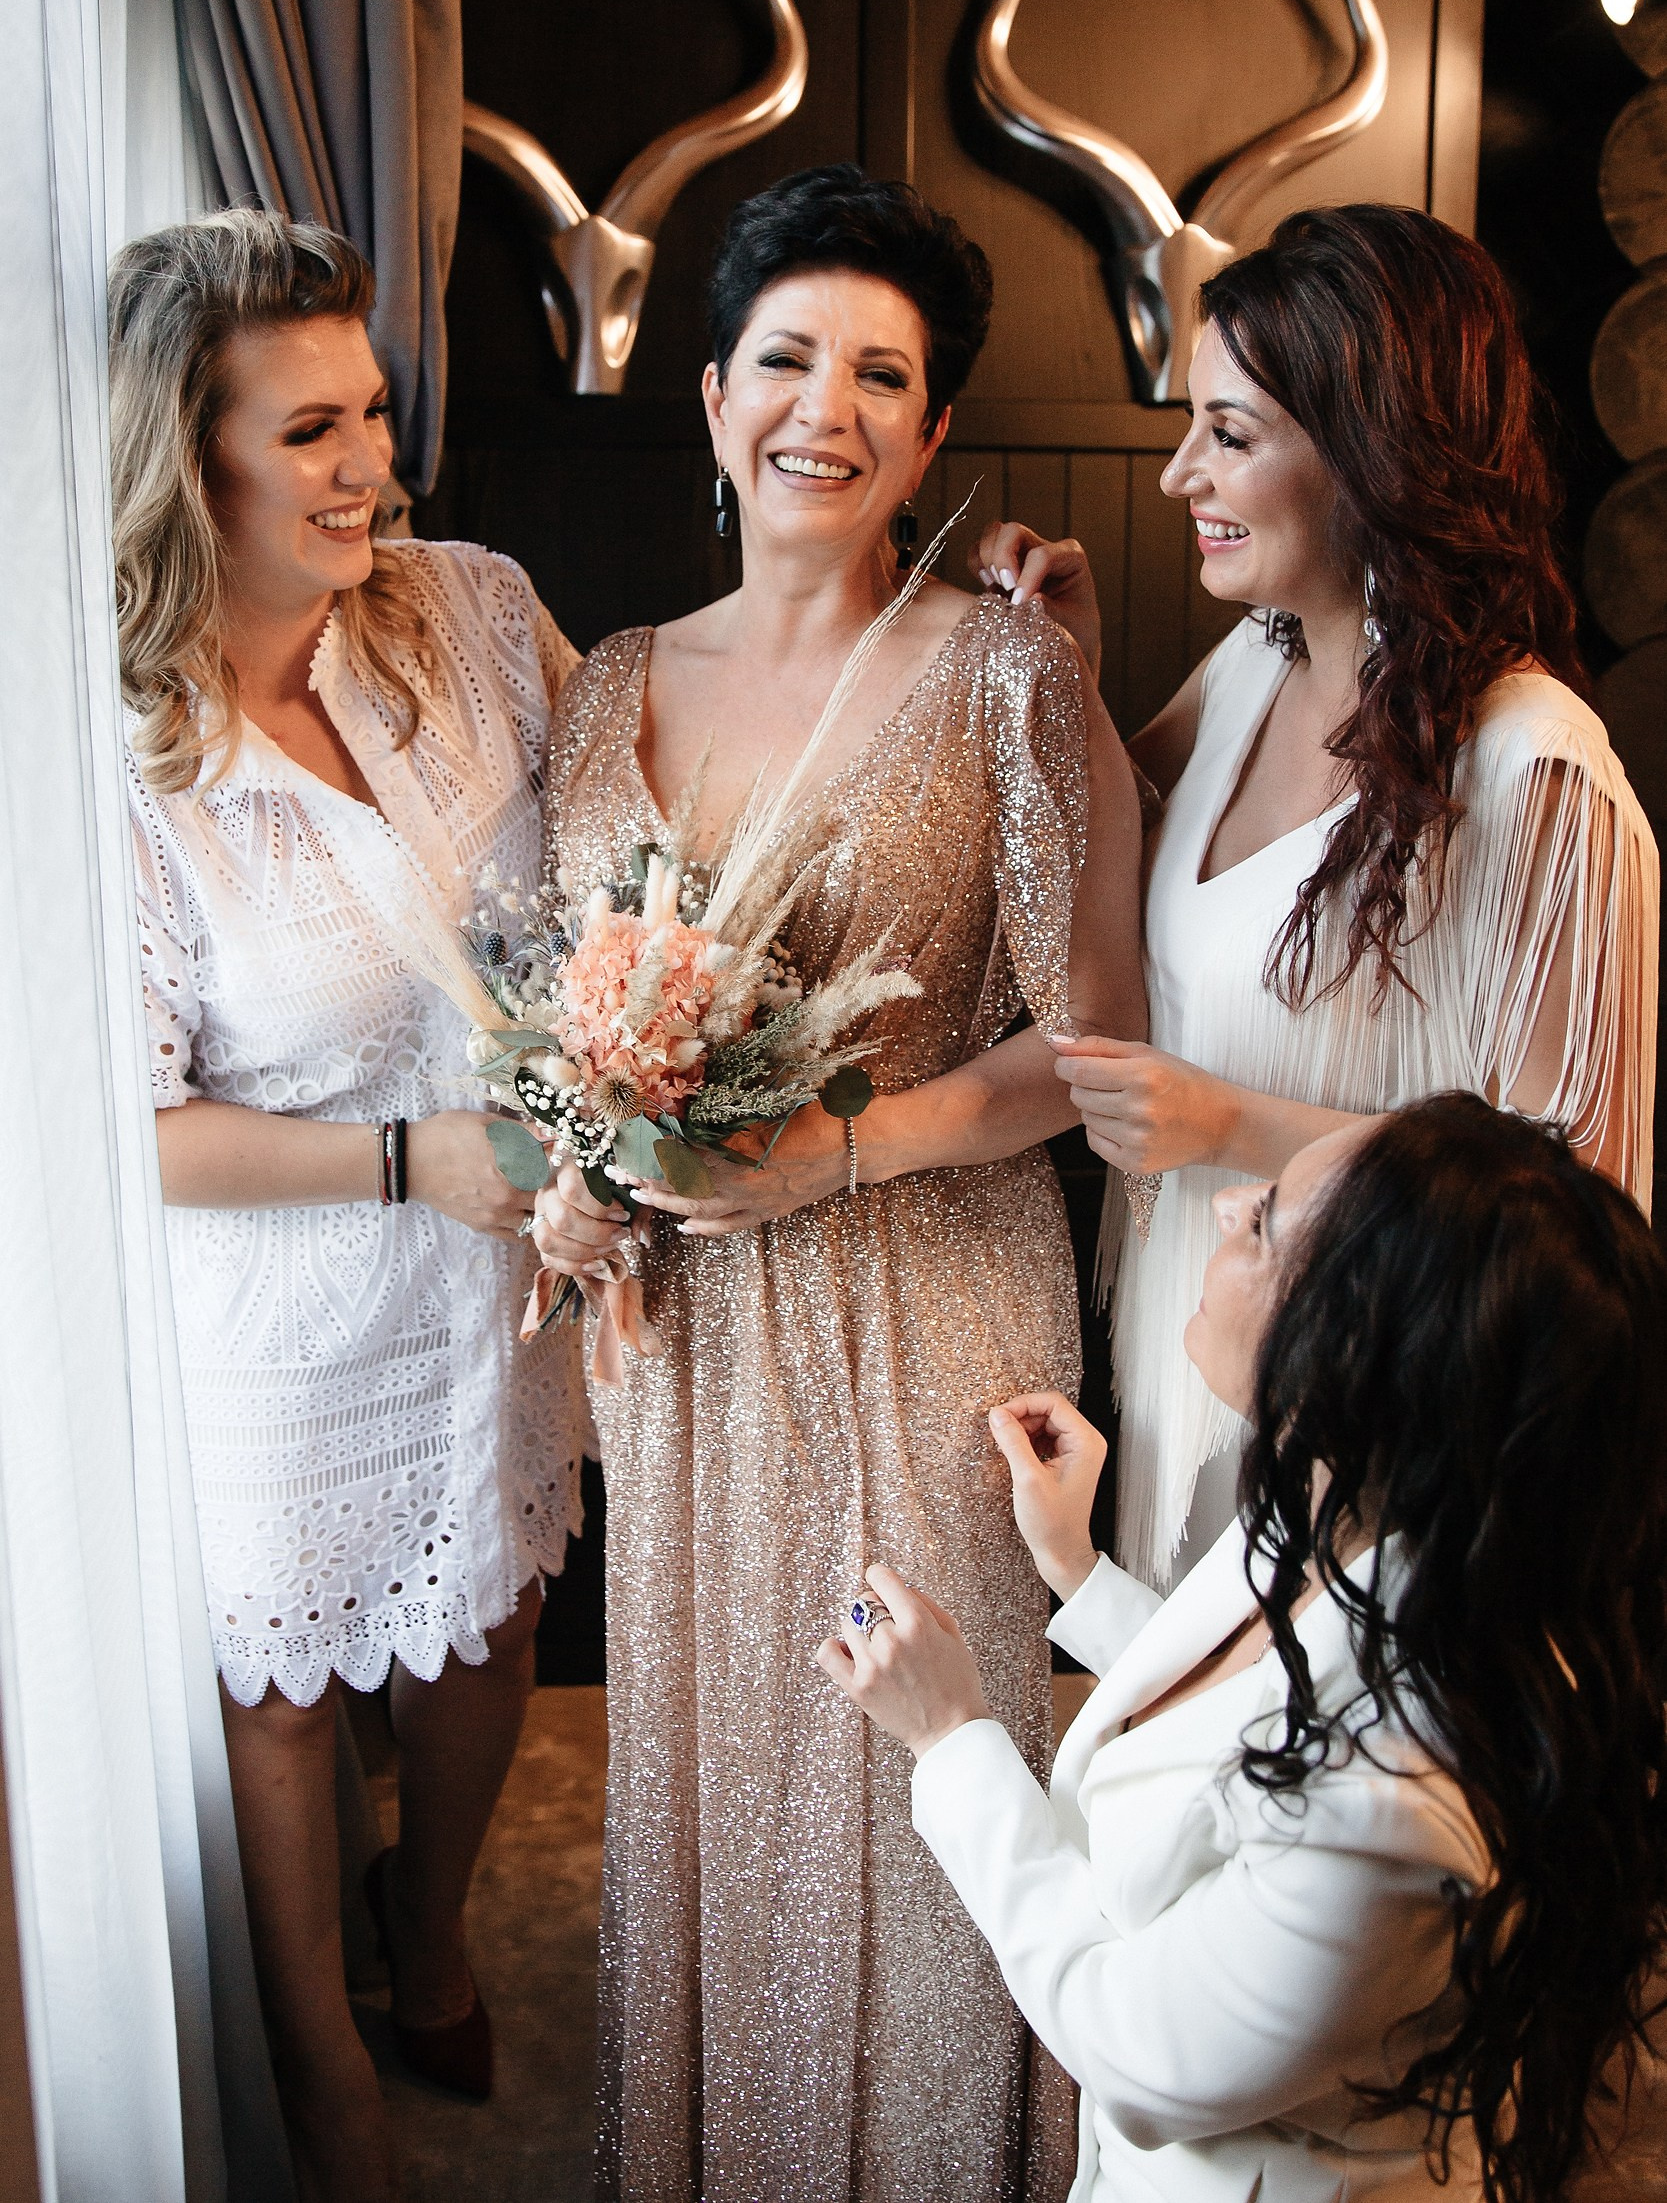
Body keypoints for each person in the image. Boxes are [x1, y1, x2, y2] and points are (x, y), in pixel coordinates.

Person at [530, 164, 1146, 2201]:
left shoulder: (1000, 674)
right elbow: (568, 1022)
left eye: (880, 374)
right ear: (712, 397)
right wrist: (579, 1179)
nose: (827, 406)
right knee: (720, 1767)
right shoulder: (607, 684)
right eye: (786, 358)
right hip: (689, 1340)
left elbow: (1087, 1049)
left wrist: (844, 1147)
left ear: (932, 427)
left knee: (911, 1778)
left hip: (928, 1295)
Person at [113, 210, 589, 2202]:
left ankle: (431, 1926)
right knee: (290, 1693)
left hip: (506, 1270)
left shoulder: (467, 609)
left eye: (373, 414)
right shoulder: (128, 754)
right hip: (284, 1306)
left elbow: (634, 792)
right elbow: (133, 1128)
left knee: (489, 1621)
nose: (369, 468)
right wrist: (408, 1162)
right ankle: (319, 2060)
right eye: (307, 431)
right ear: (188, 459)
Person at [824, 1093, 1667, 2203]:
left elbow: (1138, 2053)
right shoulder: (1366, 1512)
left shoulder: (1390, 1807)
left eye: (1264, 1220)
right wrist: (1078, 1568)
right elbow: (1257, 1732)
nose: (1225, 1205)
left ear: (1349, 1350)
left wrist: (951, 1738)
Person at [981, 204, 1658, 1586]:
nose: (1178, 474)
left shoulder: (1534, 769)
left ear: (1370, 449)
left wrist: (1229, 1122)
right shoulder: (1250, 667)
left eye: (1227, 435)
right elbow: (1106, 863)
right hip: (1199, 1338)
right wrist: (1074, 668)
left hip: (1384, 1400)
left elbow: (1569, 1196)